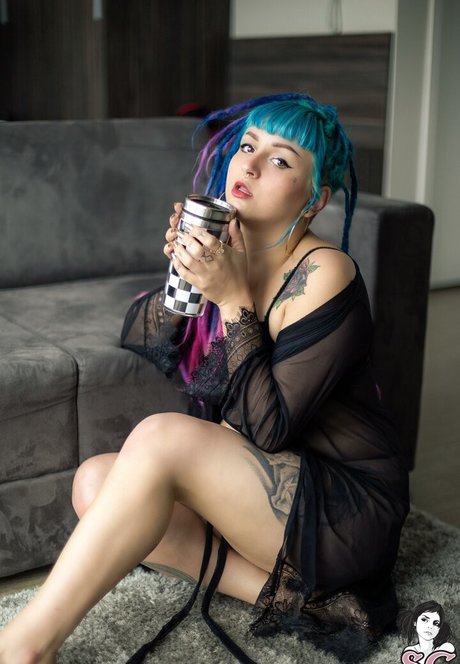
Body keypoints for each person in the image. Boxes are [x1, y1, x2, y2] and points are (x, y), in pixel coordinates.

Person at [0, 93, 410, 664]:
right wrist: (186, 276)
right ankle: (314, 606)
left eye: (280, 159)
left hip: (345, 507)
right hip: (270, 496)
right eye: (248, 146)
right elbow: (139, 332)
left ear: (315, 199)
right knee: (94, 483)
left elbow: (270, 429)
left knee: (162, 437)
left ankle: (23, 647)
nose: (250, 164)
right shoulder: (232, 249)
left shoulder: (325, 271)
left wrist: (233, 297)